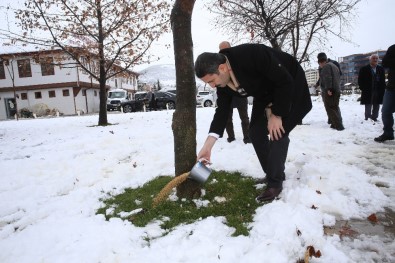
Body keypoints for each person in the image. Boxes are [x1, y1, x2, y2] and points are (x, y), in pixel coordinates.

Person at [194, 44, 312, 202]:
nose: (212, 86)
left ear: (222, 68)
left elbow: (284, 81)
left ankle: (275, 184)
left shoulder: (252, 54)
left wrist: (277, 114)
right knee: (255, 132)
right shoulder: (223, 84)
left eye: (211, 81)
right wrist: (207, 146)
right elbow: (221, 113)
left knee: (278, 131)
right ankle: (271, 174)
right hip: (265, 93)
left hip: (289, 84)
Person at [218, 41, 251, 144]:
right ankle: (231, 138)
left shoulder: (238, 59)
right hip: (227, 94)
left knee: (244, 117)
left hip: (240, 92)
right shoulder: (218, 63)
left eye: (226, 49)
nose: (224, 52)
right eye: (221, 50)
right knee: (227, 119)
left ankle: (247, 137)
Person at [317, 53, 345, 130]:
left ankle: (338, 126)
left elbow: (328, 78)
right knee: (335, 107)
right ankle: (335, 123)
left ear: (321, 62)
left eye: (319, 63)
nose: (320, 66)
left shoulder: (326, 67)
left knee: (330, 108)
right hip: (337, 89)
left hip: (330, 91)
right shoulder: (334, 66)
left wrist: (329, 89)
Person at [374, 44, 395, 142]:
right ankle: (388, 133)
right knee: (386, 111)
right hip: (392, 87)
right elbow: (385, 62)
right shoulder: (393, 48)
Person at [358, 54, 386, 121]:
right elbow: (360, 80)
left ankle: (375, 117)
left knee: (377, 104)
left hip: (378, 90)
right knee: (368, 104)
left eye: (376, 58)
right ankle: (367, 118)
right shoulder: (364, 69)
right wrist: (362, 88)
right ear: (370, 59)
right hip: (368, 90)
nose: (375, 60)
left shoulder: (381, 69)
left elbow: (383, 80)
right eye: (373, 58)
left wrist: (383, 89)